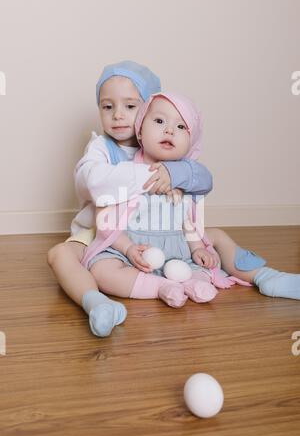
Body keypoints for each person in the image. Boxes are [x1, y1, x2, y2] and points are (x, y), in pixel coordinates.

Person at [82, 92, 300, 308]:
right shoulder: (126, 172)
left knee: (203, 263)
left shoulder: (187, 176)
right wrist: (128, 248)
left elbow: (188, 220)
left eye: (181, 127)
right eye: (159, 121)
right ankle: (160, 288)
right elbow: (107, 218)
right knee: (103, 271)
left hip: (178, 252)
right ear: (140, 130)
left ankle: (264, 277)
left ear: (191, 140)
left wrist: (196, 248)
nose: (169, 130)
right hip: (133, 250)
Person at [47, 62, 213, 337]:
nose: (118, 116)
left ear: (148, 110)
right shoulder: (101, 147)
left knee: (212, 239)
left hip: (153, 232)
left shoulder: (160, 142)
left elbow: (204, 180)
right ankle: (96, 302)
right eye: (107, 106)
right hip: (99, 229)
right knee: (59, 254)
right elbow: (93, 180)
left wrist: (177, 171)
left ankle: (251, 273)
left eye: (130, 106)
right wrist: (155, 174)